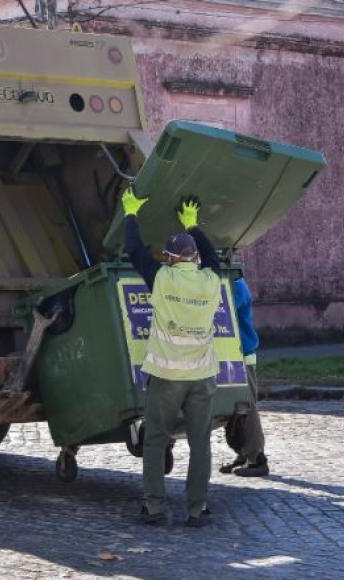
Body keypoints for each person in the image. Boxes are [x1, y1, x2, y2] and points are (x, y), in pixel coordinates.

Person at [121, 188, 222, 528]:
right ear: (194, 258)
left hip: (166, 377)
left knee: (155, 440)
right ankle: (197, 510)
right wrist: (193, 226)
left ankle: (155, 508)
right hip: (202, 377)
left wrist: (130, 214)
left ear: (171, 258)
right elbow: (214, 259)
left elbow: (134, 251)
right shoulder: (211, 281)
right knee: (200, 444)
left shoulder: (162, 278)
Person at [220, 275, 269, 477]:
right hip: (233, 353)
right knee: (234, 408)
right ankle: (243, 454)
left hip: (241, 354)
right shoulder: (232, 283)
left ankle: (257, 459)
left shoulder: (236, 286)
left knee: (246, 406)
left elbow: (223, 307)